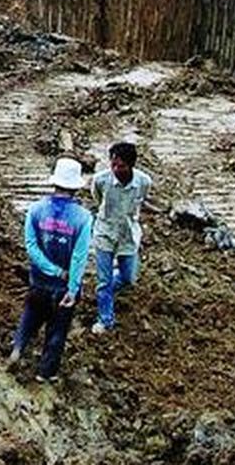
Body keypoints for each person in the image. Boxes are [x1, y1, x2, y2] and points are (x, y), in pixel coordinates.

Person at [8, 157, 92, 382]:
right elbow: (78, 257)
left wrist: (49, 268)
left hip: (38, 281)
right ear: (75, 187)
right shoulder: (83, 218)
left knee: (30, 314)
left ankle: (18, 347)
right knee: (57, 329)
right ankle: (45, 373)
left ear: (54, 183)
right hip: (63, 287)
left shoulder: (35, 210)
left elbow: (31, 247)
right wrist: (72, 289)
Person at [90, 141, 153, 334]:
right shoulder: (101, 180)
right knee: (103, 279)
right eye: (113, 165)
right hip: (105, 233)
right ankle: (105, 318)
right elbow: (97, 199)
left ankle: (106, 290)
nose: (117, 169)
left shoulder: (143, 182)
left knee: (128, 278)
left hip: (128, 235)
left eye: (121, 166)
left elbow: (142, 201)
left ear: (131, 165)